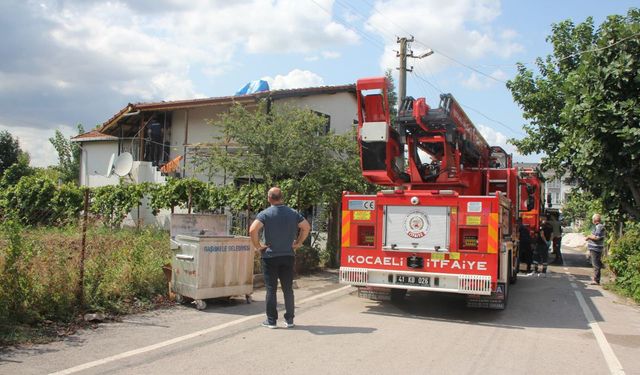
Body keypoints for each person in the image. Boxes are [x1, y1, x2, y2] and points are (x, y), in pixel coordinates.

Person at [249, 187, 310, 329]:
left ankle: (271, 321)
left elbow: (253, 229)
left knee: (271, 289)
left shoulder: (265, 214)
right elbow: (306, 227)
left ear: (269, 198)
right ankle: (289, 320)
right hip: (288, 255)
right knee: (288, 289)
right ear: (282, 197)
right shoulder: (293, 213)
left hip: (270, 256)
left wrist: (258, 246)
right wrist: (298, 243)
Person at [585, 213, 605, 285]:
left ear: (594, 220)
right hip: (595, 248)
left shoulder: (599, 227)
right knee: (595, 263)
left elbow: (597, 237)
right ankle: (596, 278)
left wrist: (589, 237)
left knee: (595, 263)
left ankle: (596, 280)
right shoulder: (597, 226)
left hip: (596, 248)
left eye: (592, 219)